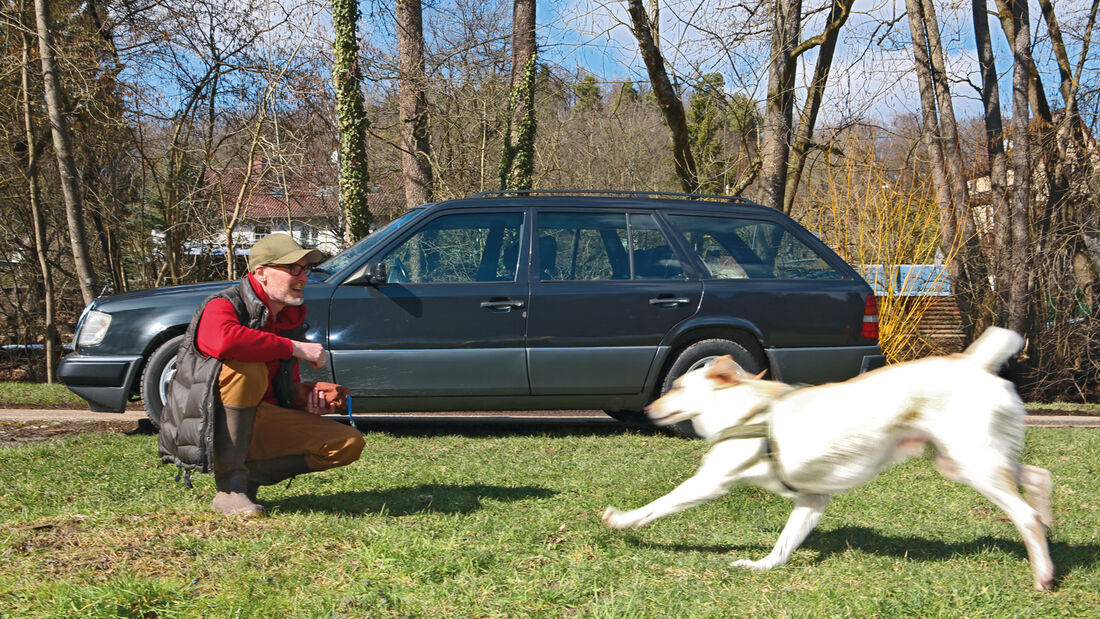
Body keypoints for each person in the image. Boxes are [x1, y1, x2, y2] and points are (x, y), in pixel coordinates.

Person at [158, 233, 364, 518]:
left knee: (347, 444)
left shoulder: (288, 317)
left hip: (257, 416)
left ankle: (246, 479)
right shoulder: (223, 304)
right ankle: (230, 487)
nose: (302, 277)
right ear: (261, 273)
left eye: (305, 269)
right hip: (212, 423)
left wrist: (305, 396)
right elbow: (225, 342)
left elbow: (276, 385)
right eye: (292, 269)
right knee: (248, 365)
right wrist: (294, 347)